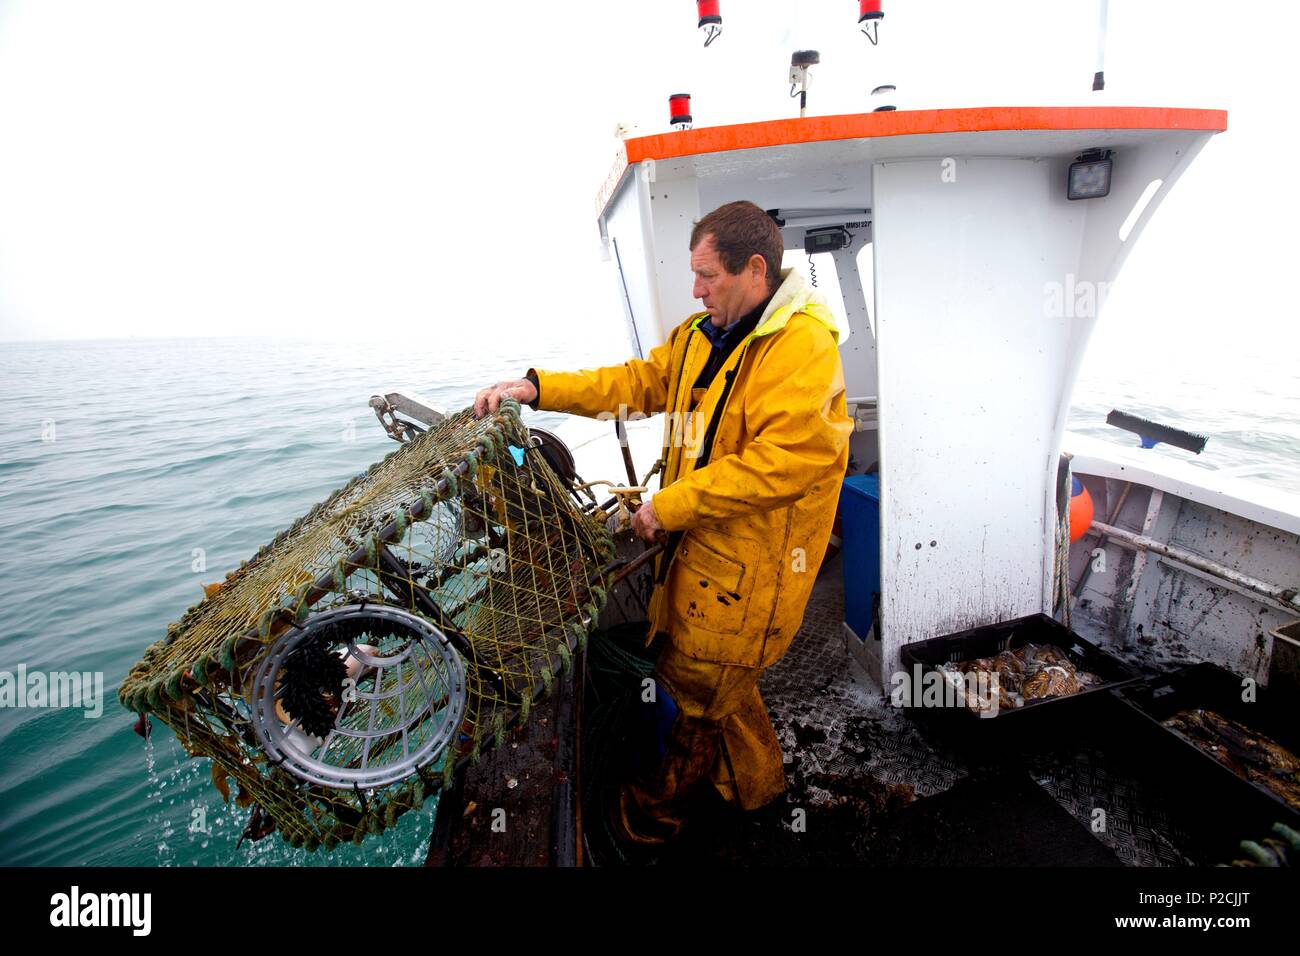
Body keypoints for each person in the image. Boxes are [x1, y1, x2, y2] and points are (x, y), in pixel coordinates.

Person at [474, 200, 852, 847]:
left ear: (754, 269)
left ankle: (649, 821)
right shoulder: (701, 335)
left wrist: (668, 506)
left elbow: (784, 462)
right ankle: (760, 793)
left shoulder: (802, 349)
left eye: (708, 276)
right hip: (700, 561)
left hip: (749, 583)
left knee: (695, 701)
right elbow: (634, 383)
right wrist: (538, 388)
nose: (697, 289)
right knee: (723, 692)